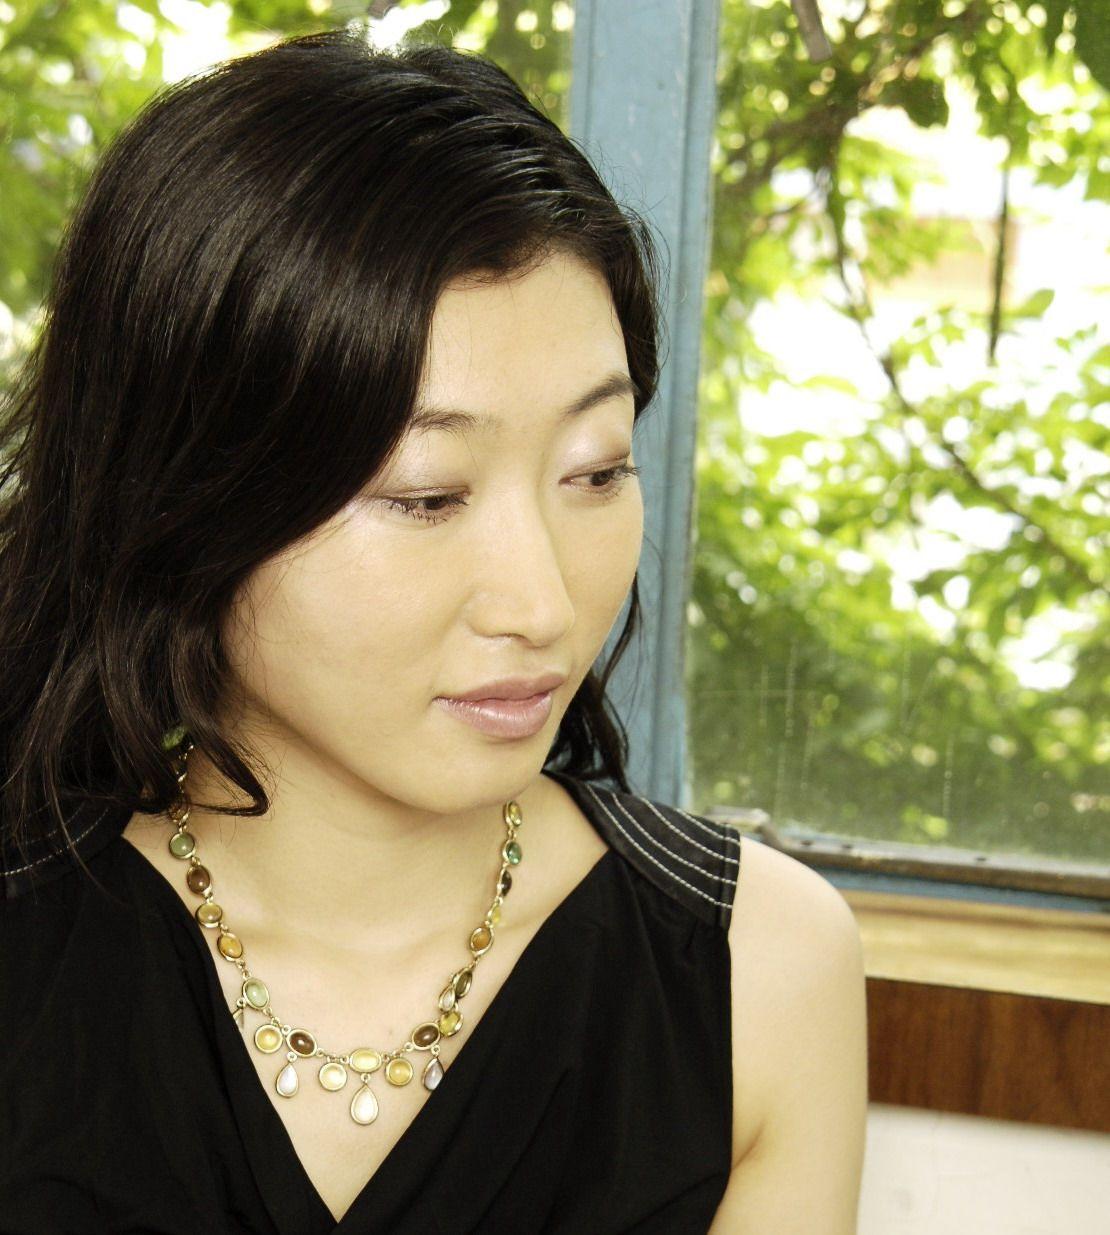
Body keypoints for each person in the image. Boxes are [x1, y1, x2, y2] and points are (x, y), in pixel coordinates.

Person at [0, 27, 867, 1234]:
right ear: (186, 491)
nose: (541, 602)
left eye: (596, 469)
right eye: (426, 495)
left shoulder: (756, 968)